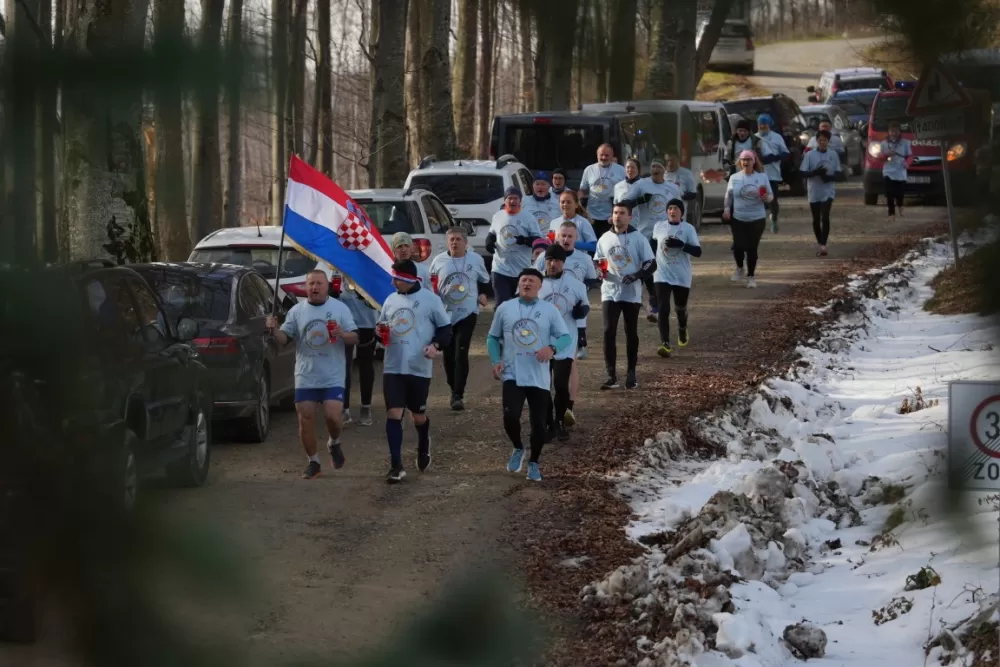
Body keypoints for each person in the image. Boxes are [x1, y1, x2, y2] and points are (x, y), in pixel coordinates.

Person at [265, 270, 359, 480]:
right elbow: (284, 339)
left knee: (333, 417)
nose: (315, 288)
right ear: (306, 287)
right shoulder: (297, 311)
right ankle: (314, 462)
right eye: (311, 284)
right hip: (306, 374)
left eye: (319, 284)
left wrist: (342, 335)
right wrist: (274, 330)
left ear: (327, 287)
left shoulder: (339, 308)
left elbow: (355, 337)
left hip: (332, 374)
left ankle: (334, 442)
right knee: (305, 419)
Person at [487, 268, 572, 482]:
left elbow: (565, 337)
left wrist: (551, 349)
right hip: (512, 373)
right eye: (523, 280)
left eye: (532, 281)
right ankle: (517, 447)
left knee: (538, 423)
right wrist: (496, 361)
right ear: (518, 283)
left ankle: (534, 462)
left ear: (539, 286)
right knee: (510, 416)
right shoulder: (505, 308)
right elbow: (492, 338)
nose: (527, 284)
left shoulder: (549, 310)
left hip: (538, 376)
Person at [378, 259, 453, 483]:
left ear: (408, 279)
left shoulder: (431, 300)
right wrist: (379, 333)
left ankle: (423, 442)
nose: (393, 283)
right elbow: (382, 326)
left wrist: (436, 345)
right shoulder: (390, 300)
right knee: (393, 413)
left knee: (417, 416)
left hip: (419, 366)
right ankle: (396, 465)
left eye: (397, 279)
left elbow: (446, 329)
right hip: (393, 366)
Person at [535, 221, 600, 413]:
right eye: (563, 235)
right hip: (542, 336)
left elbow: (590, 284)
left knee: (565, 373)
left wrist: (581, 308)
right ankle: (547, 419)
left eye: (570, 236)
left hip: (568, 329)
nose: (566, 239)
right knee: (543, 381)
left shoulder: (581, 265)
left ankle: (566, 410)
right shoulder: (538, 274)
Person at [594, 201, 655, 390]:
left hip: (631, 292)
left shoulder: (639, 238)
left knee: (630, 332)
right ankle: (611, 375)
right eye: (615, 212)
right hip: (610, 290)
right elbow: (597, 260)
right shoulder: (604, 238)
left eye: (621, 213)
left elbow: (651, 264)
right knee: (608, 331)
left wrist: (636, 275)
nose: (617, 216)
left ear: (629, 217)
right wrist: (598, 271)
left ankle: (631, 374)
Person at [429, 226, 490, 411]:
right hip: (445, 314)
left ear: (465, 242)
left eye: (458, 239)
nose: (454, 242)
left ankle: (458, 395)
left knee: (460, 352)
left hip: (467, 312)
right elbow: (431, 285)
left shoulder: (475, 259)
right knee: (448, 356)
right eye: (451, 239)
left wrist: (482, 294)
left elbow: (485, 280)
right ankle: (453, 387)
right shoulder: (438, 261)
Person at [538, 244, 589, 441]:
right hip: (540, 342)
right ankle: (547, 422)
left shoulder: (576, 285)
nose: (553, 264)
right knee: (542, 386)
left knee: (560, 384)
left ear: (563, 263)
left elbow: (585, 305)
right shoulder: (536, 283)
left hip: (565, 340)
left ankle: (560, 421)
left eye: (557, 260)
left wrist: (581, 313)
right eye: (550, 260)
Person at [624, 158, 684, 323]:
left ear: (664, 170)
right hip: (645, 233)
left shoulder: (672, 188)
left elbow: (680, 209)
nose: (655, 169)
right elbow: (624, 203)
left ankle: (660, 301)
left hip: (665, 233)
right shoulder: (641, 185)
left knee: (660, 268)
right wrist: (640, 201)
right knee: (648, 266)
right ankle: (652, 299)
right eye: (652, 166)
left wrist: (681, 229)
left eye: (658, 166)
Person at [652, 199, 701, 358]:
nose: (672, 211)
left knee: (680, 308)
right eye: (670, 209)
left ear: (681, 212)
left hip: (681, 274)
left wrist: (681, 245)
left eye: (676, 209)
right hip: (662, 273)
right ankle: (665, 344)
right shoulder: (659, 227)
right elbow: (654, 245)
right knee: (663, 308)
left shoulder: (688, 229)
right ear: (667, 212)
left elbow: (698, 252)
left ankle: (682, 327)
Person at [723, 150, 773, 289]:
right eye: (743, 159)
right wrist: (727, 209)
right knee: (738, 246)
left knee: (752, 248)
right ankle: (740, 267)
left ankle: (751, 276)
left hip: (757, 218)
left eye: (748, 159)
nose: (746, 162)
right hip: (738, 217)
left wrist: (766, 198)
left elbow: (770, 196)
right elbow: (729, 196)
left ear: (754, 161)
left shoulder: (762, 177)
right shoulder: (734, 178)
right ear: (740, 162)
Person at [485, 187, 541, 307]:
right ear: (505, 200)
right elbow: (492, 233)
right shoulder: (498, 216)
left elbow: (538, 240)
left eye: (515, 198)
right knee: (502, 305)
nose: (512, 201)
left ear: (520, 201)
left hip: (522, 271)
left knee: (520, 306)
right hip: (500, 269)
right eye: (509, 198)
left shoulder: (528, 217)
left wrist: (524, 240)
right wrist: (489, 241)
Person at [800, 129, 844, 257]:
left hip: (828, 190)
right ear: (816, 141)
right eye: (820, 140)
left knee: (825, 216)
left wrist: (828, 177)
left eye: (825, 140)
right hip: (814, 190)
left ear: (828, 141)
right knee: (816, 219)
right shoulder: (810, 155)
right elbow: (802, 172)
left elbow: (839, 173)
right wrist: (816, 173)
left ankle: (824, 244)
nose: (822, 142)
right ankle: (820, 242)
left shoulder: (833, 154)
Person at [340, 279, 377, 427]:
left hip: (367, 322)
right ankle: (344, 408)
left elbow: (381, 296)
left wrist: (367, 297)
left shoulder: (369, 266)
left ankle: (365, 407)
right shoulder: (336, 267)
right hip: (344, 324)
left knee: (366, 364)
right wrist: (333, 292)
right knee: (344, 365)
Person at [579, 143, 627, 238]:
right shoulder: (589, 169)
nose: (604, 157)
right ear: (597, 155)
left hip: (612, 216)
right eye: (601, 155)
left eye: (607, 155)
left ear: (612, 156)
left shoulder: (621, 170)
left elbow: (626, 192)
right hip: (591, 216)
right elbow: (582, 191)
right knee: (592, 246)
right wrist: (582, 209)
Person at [755, 114, 789, 230]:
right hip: (759, 174)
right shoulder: (754, 138)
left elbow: (786, 153)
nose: (762, 126)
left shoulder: (777, 137)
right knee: (760, 198)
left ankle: (774, 217)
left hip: (773, 173)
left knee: (772, 199)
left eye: (764, 124)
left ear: (769, 125)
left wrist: (775, 157)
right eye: (760, 124)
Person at [880, 120, 911, 222]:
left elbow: (910, 156)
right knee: (889, 193)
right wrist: (887, 155)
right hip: (888, 171)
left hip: (900, 171)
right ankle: (891, 213)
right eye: (892, 131)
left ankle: (900, 205)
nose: (894, 133)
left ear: (899, 131)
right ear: (888, 132)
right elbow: (880, 158)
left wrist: (907, 163)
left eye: (896, 131)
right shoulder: (884, 143)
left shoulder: (905, 143)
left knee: (899, 193)